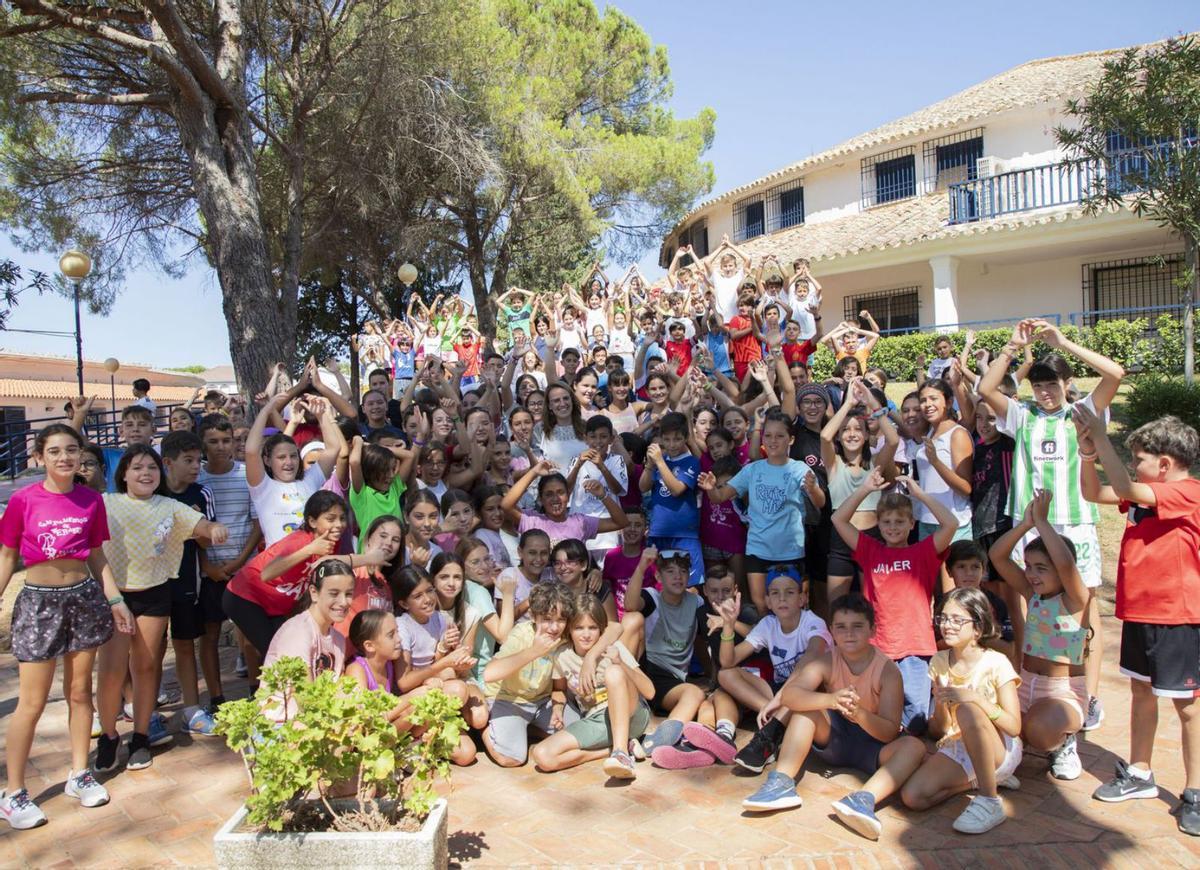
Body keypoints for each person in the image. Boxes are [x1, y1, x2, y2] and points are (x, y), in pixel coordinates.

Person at [979, 317, 1125, 732]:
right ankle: (1033, 686)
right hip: (1030, 524)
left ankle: (1086, 696)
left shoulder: (1083, 412)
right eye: (1039, 386)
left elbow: (1115, 374)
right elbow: (986, 389)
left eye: (1052, 385)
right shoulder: (1022, 414)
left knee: (1082, 611)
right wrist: (1012, 347)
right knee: (1031, 607)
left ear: (1066, 384)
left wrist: (1063, 342)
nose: (1044, 392)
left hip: (1075, 524)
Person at [0, 425, 135, 829]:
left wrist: (116, 600)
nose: (64, 458)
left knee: (79, 692)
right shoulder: (23, 500)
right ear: (39, 457)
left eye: (71, 450)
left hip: (83, 600)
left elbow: (96, 555)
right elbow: (7, 556)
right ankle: (13, 793)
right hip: (39, 604)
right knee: (32, 702)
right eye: (55, 451)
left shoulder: (91, 500)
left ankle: (79, 773)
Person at [1076, 411, 1200, 834]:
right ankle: (1140, 772)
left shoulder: (1187, 492)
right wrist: (1087, 454)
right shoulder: (1148, 494)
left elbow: (1126, 487)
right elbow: (1094, 492)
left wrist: (1101, 435)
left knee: (1188, 706)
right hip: (1140, 613)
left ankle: (1195, 792)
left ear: (1164, 464)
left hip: (1177, 616)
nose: (1132, 465)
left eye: (1139, 459)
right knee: (1141, 691)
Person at [94, 446, 229, 773]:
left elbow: (201, 525)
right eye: (137, 467)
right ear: (124, 474)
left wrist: (214, 529)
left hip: (154, 595)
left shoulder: (169, 506)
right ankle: (109, 736)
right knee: (112, 671)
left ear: (161, 473)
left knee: (146, 666)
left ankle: (141, 737)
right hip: (115, 597)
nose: (145, 473)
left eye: (151, 468)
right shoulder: (106, 503)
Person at [741, 594, 904, 813]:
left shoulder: (888, 671)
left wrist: (859, 714)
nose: (849, 634)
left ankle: (862, 800)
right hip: (835, 741)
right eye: (841, 627)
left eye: (857, 626)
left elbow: (890, 732)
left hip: (875, 747)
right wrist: (831, 699)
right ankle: (781, 783)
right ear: (832, 631)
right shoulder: (829, 660)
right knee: (804, 711)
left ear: (872, 630)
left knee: (914, 747)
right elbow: (790, 695)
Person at [833, 469, 959, 734]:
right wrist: (865, 489)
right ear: (878, 524)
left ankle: (910, 751)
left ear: (912, 523)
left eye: (900, 521)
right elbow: (838, 519)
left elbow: (951, 524)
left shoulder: (922, 552)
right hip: (877, 647)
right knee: (875, 714)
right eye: (887, 521)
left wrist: (921, 495)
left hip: (915, 648)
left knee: (915, 723)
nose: (893, 527)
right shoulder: (871, 550)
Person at [989, 490, 1090, 781]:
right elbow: (997, 556)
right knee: (994, 727)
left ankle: (1064, 743)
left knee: (1037, 730)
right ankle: (1010, 758)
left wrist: (1043, 523)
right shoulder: (1032, 594)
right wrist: (1026, 524)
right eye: (1029, 566)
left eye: (1041, 568)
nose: (1031, 574)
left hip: (1062, 693)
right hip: (1024, 684)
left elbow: (1066, 565)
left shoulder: (1076, 601)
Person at [698, 409, 823, 617]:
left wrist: (813, 489)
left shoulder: (799, 469)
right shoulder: (752, 469)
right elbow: (719, 497)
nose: (773, 441)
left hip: (790, 551)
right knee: (762, 606)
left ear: (791, 439)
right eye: (768, 435)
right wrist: (711, 488)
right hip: (757, 549)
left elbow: (820, 502)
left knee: (790, 608)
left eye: (780, 436)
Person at [718, 568, 831, 773]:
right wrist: (728, 624)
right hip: (781, 693)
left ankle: (768, 737)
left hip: (812, 693)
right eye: (775, 593)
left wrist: (781, 697)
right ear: (768, 601)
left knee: (801, 686)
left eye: (790, 592)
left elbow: (811, 657)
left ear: (802, 598)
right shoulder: (768, 623)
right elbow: (728, 661)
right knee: (725, 674)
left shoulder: (814, 622)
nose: (782, 598)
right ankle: (776, 720)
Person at [531, 593, 655, 780]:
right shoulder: (561, 655)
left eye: (593, 628)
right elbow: (559, 689)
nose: (586, 634)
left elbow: (650, 692)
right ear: (569, 630)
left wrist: (620, 663)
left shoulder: (613, 648)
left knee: (613, 672)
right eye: (579, 628)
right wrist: (557, 708)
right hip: (596, 720)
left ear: (601, 629)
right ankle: (617, 748)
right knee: (543, 756)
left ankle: (621, 754)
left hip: (632, 715)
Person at [159, 431, 222, 736]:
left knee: (184, 644)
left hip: (186, 579)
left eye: (198, 460)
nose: (196, 466)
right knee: (150, 649)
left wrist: (196, 525)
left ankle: (191, 710)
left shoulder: (202, 493)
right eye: (188, 460)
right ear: (168, 462)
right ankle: (144, 711)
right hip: (151, 583)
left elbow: (207, 542)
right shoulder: (152, 492)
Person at [621, 548, 708, 758]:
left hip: (671, 679)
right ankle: (623, 692)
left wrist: (712, 674)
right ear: (659, 577)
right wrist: (642, 566)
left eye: (683, 571)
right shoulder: (652, 596)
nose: (678, 576)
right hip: (644, 667)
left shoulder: (696, 603)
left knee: (696, 694)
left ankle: (658, 739)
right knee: (632, 618)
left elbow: (699, 641)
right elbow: (630, 605)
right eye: (670, 572)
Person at [821, 379, 899, 604]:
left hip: (872, 536)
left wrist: (872, 403)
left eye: (858, 429)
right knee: (836, 604)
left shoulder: (875, 463)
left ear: (866, 435)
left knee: (874, 603)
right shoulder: (834, 463)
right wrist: (848, 403)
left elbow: (893, 440)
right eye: (846, 430)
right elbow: (825, 436)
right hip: (840, 541)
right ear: (839, 436)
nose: (852, 434)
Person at [245, 394, 342, 547]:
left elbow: (333, 449)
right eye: (281, 457)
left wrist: (321, 415)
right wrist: (266, 410)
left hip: (312, 558)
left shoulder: (310, 479)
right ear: (267, 460)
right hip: (279, 560)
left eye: (293, 456)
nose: (289, 462)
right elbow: (251, 451)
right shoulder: (262, 486)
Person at [640, 412, 704, 587]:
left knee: (690, 585)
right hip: (658, 532)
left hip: (684, 534)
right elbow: (643, 487)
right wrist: (650, 465)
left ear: (686, 438)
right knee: (658, 585)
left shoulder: (692, 462)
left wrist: (660, 462)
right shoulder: (659, 460)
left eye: (677, 439)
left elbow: (677, 490)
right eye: (666, 439)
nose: (671, 444)